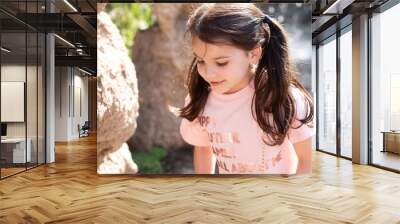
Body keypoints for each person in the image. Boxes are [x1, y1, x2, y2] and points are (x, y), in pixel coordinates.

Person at [179, 3, 314, 175]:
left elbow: (306, 161)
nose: (209, 73)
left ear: (253, 53)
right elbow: (204, 148)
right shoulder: (200, 99)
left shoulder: (283, 99)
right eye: (201, 60)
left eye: (221, 62)